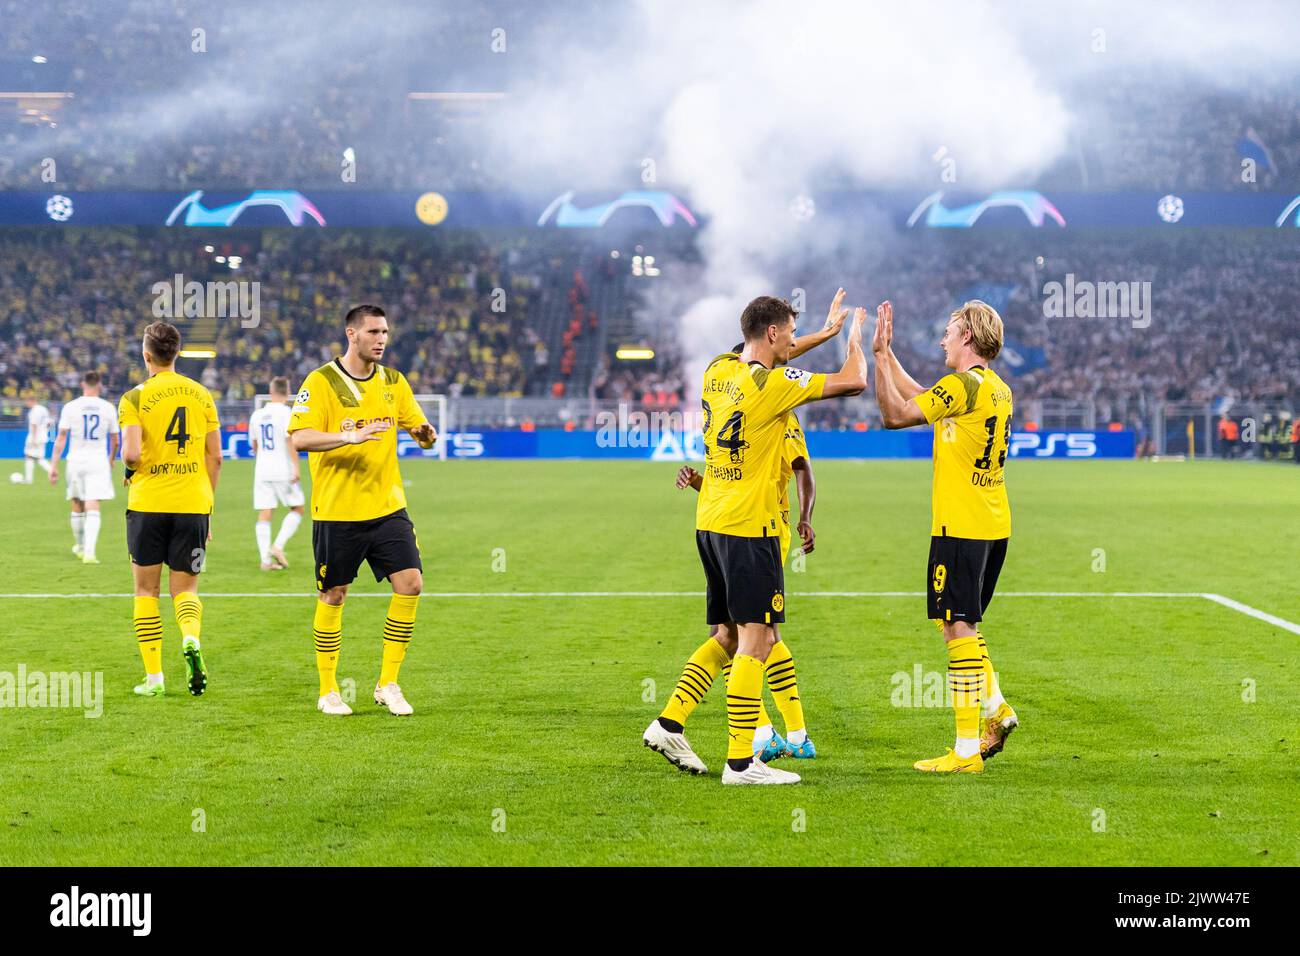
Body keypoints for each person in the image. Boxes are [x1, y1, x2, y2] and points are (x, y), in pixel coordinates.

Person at [644, 291, 868, 785]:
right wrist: (854, 340)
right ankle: (743, 763)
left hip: (711, 521)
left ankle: (669, 723)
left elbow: (765, 354)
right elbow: (853, 382)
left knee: (725, 635)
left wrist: (820, 335)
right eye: (789, 331)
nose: (792, 339)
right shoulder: (772, 385)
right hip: (751, 528)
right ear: (771, 333)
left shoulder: (718, 370)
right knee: (758, 640)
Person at [872, 299, 1017, 773]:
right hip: (993, 523)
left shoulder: (962, 386)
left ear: (968, 338)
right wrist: (890, 353)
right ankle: (996, 707)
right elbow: (925, 397)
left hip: (961, 525)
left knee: (957, 627)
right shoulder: (993, 388)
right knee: (959, 623)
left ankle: (966, 751)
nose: (942, 340)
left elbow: (896, 415)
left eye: (950, 331)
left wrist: (875, 359)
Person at [287, 304, 437, 717]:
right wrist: (348, 438)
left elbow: (421, 433)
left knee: (410, 584)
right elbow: (300, 438)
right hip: (337, 510)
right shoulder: (320, 382)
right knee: (334, 594)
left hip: (388, 507)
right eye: (373, 331)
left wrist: (425, 435)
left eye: (385, 331)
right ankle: (329, 690)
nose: (382, 339)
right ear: (351, 334)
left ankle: (388, 683)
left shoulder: (394, 381)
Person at [118, 322, 222, 698]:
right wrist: (207, 506)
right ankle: (190, 639)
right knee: (186, 589)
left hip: (148, 504)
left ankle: (154, 678)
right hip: (193, 503)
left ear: (147, 355)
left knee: (146, 591)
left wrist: (131, 469)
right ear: (176, 353)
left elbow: (131, 453)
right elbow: (216, 457)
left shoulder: (134, 398)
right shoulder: (202, 395)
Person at [49, 371, 120, 563]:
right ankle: (89, 552)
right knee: (93, 504)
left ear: (82, 384)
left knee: (77, 504)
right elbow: (115, 440)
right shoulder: (107, 408)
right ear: (99, 385)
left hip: (76, 461)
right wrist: (111, 459)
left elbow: (61, 438)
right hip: (98, 460)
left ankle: (80, 546)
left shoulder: (71, 407)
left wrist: (53, 466)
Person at [248, 377, 305, 570]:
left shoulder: (257, 415)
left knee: (265, 512)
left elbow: (254, 446)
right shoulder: (288, 414)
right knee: (298, 508)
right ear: (288, 393)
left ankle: (265, 561)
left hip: (262, 470)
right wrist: (296, 467)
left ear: (271, 392)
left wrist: (263, 460)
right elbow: (291, 442)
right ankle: (278, 546)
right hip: (284, 469)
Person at [21, 395, 53, 484]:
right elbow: (51, 423)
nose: (26, 403)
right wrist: (52, 436)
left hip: (35, 437)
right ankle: (52, 471)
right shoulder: (44, 410)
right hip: (43, 437)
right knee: (39, 458)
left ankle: (28, 480)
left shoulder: (34, 411)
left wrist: (34, 439)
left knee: (29, 456)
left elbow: (34, 425)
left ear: (32, 401)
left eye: (27, 401)